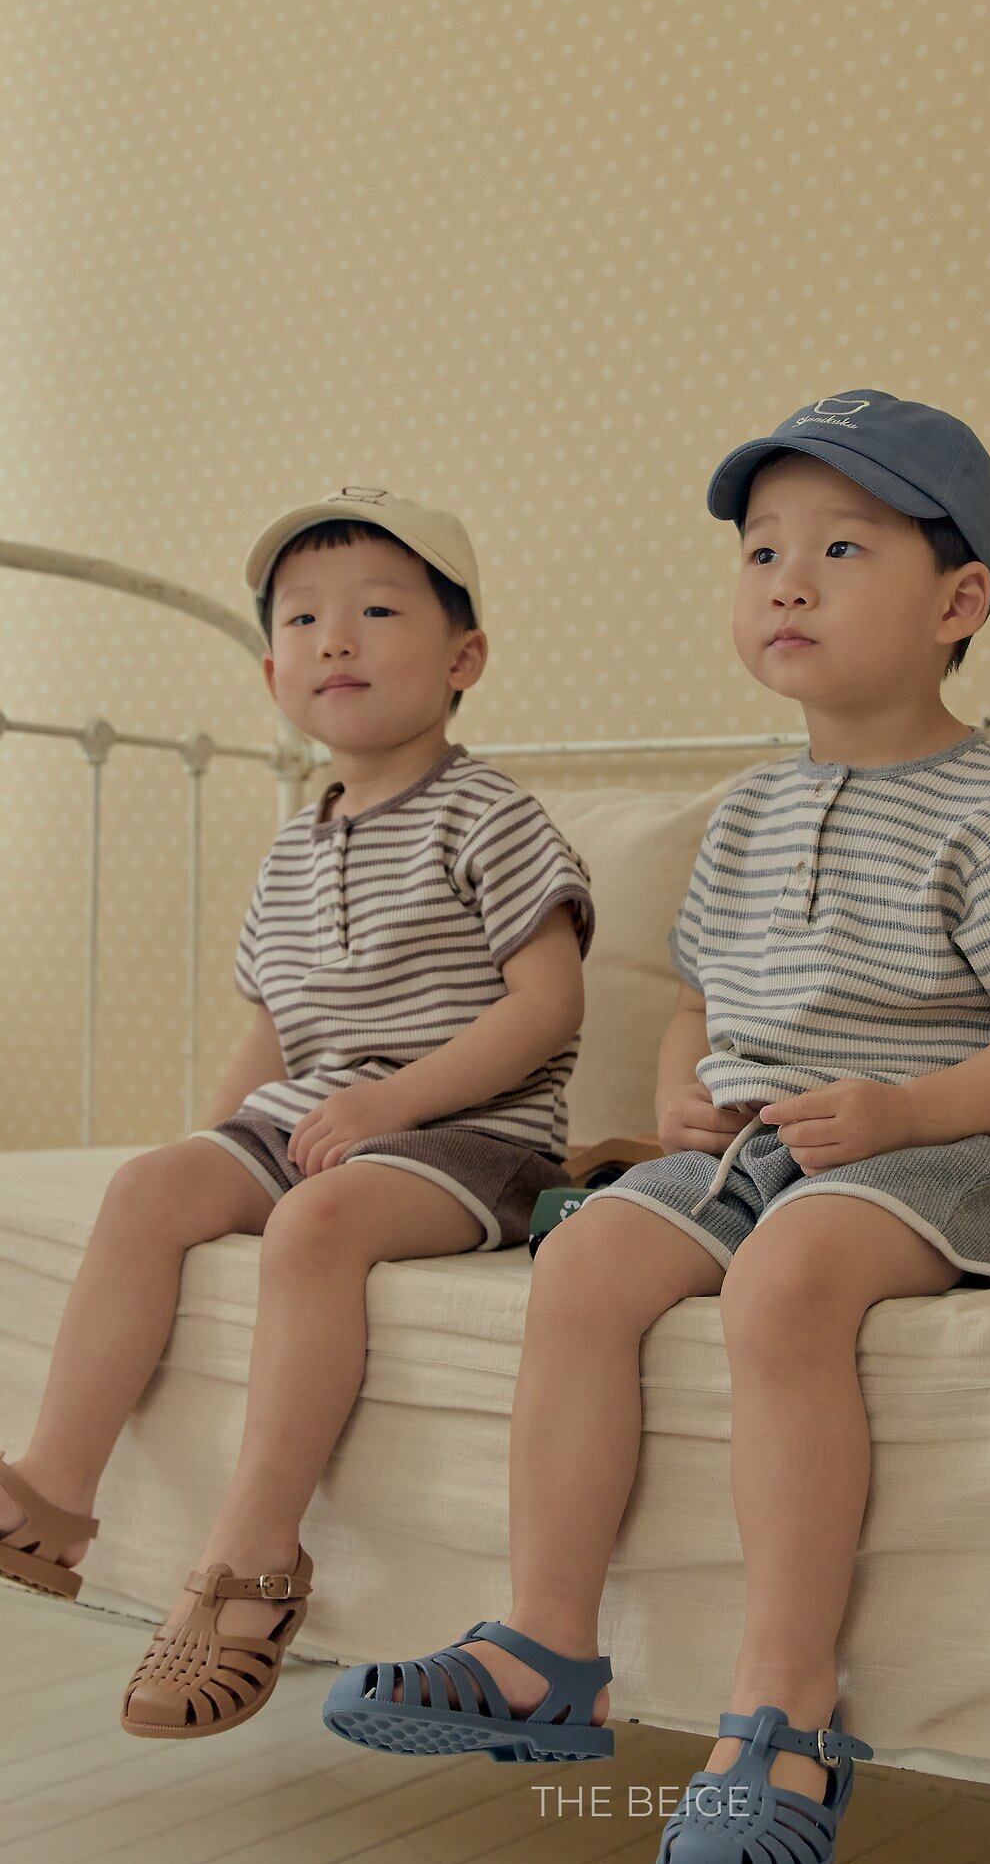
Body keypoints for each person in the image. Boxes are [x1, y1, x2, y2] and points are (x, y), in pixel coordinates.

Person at [321, 394, 990, 1864]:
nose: (788, 582)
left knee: (785, 1280)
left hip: (934, 1152)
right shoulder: (749, 811)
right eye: (761, 552)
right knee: (582, 1266)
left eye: (841, 548)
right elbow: (704, 1002)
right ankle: (545, 1650)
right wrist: (681, 1090)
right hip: (752, 1149)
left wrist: (906, 1108)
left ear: (958, 602)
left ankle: (785, 1708)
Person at [0, 485, 595, 1740]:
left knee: (314, 1224)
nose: (335, 639)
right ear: (272, 671)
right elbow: (273, 1030)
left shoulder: (488, 814)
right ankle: (52, 1495)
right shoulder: (290, 846)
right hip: (316, 1117)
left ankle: (254, 1552)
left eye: (377, 611)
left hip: (470, 1135)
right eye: (304, 619)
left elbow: (546, 1005)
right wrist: (208, 1144)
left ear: (463, 658)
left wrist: (392, 1099)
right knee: (147, 1187)